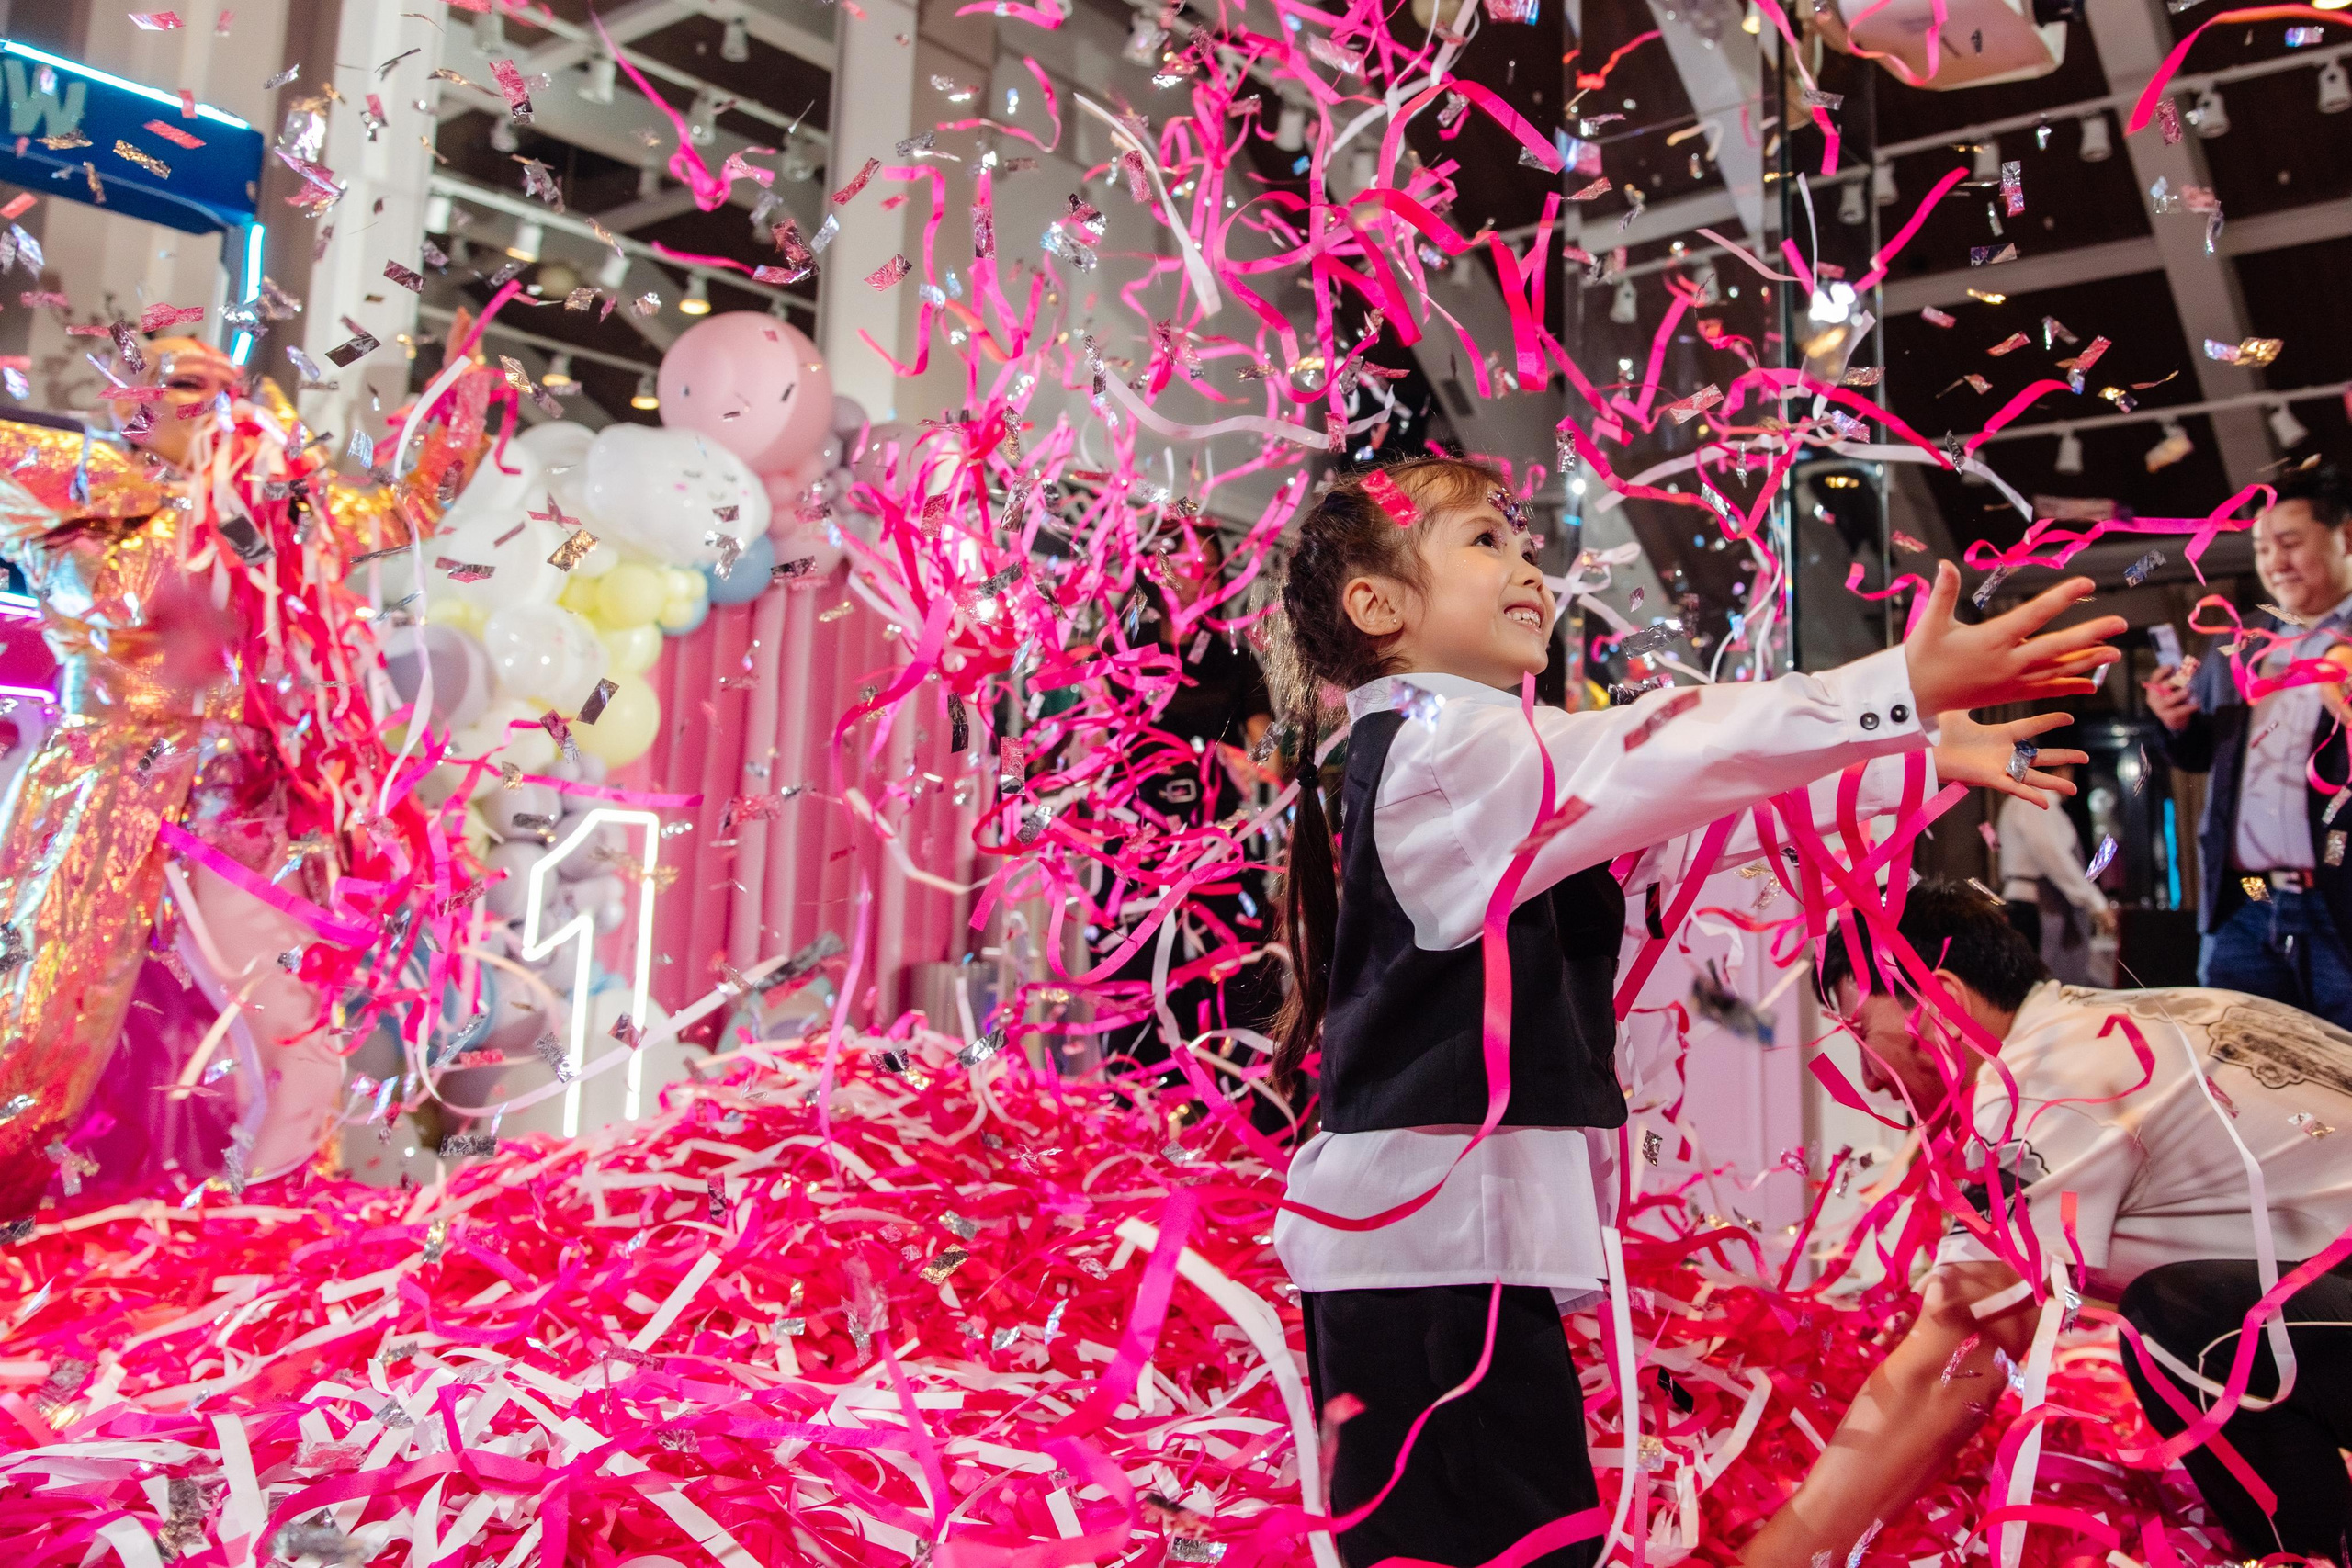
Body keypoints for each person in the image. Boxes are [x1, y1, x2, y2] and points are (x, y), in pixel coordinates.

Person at [1262, 457, 2123, 1567]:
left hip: (1455, 1251)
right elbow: (1673, 747)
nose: (1529, 565)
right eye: (1485, 541)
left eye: (1525, 542)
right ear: (1377, 607)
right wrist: (1891, 691)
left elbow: (1695, 811)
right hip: (1428, 1257)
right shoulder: (1445, 750)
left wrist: (1911, 750)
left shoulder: (1488, 756)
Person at [1742, 883, 2352, 1567]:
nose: (1870, 1079)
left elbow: (1959, 1350)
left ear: (1939, 997)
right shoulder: (2107, 1022)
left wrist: (1772, 1560)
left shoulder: (2045, 1077)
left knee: (2181, 1322)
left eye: (1863, 1034)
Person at [2147, 464, 2352, 1029]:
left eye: (2290, 543)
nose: (2274, 563)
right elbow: (2198, 759)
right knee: (2239, 1063)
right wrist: (2174, 724)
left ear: (2346, 537)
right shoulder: (2243, 647)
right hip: (2247, 899)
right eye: (2263, 547)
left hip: (2339, 902)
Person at [1093, 524, 1280, 1078]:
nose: (1198, 571)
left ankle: (1223, 1096)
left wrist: (1264, 750)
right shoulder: (1123, 647)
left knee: (1222, 966)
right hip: (1140, 836)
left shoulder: (1232, 657)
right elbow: (1100, 735)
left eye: (1209, 563)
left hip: (1215, 835)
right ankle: (1137, 1097)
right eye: (1186, 559)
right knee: (1139, 964)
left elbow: (1268, 747)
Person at [1996, 760, 2114, 955]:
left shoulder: (2025, 800)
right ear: (2061, 772)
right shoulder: (2036, 801)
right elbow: (2054, 857)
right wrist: (2097, 903)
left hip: (2033, 903)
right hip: (2036, 905)